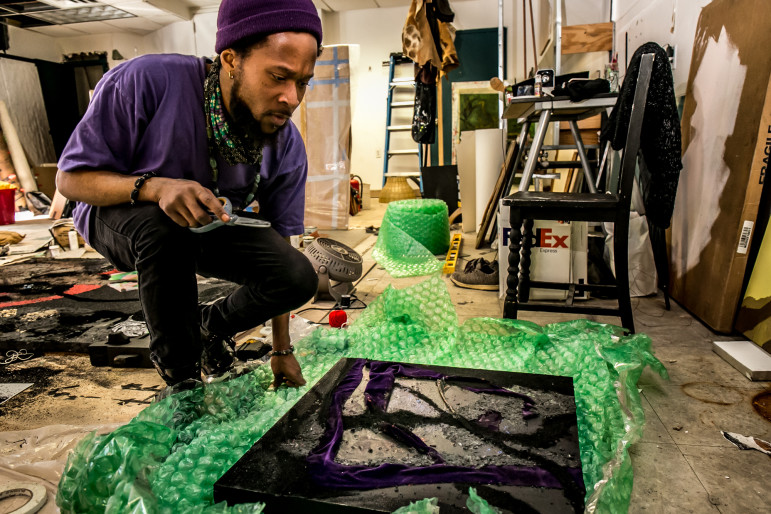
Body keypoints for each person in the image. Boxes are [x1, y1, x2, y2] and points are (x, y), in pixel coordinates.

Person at [55, 0, 322, 393]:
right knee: (165, 231)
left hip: (207, 220)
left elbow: (281, 240)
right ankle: (182, 381)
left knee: (298, 276)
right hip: (119, 212)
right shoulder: (147, 80)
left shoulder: (283, 141)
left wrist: (281, 348)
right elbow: (70, 180)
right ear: (231, 59)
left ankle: (208, 325)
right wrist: (155, 187)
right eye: (278, 77)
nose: (291, 98)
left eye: (302, 81)